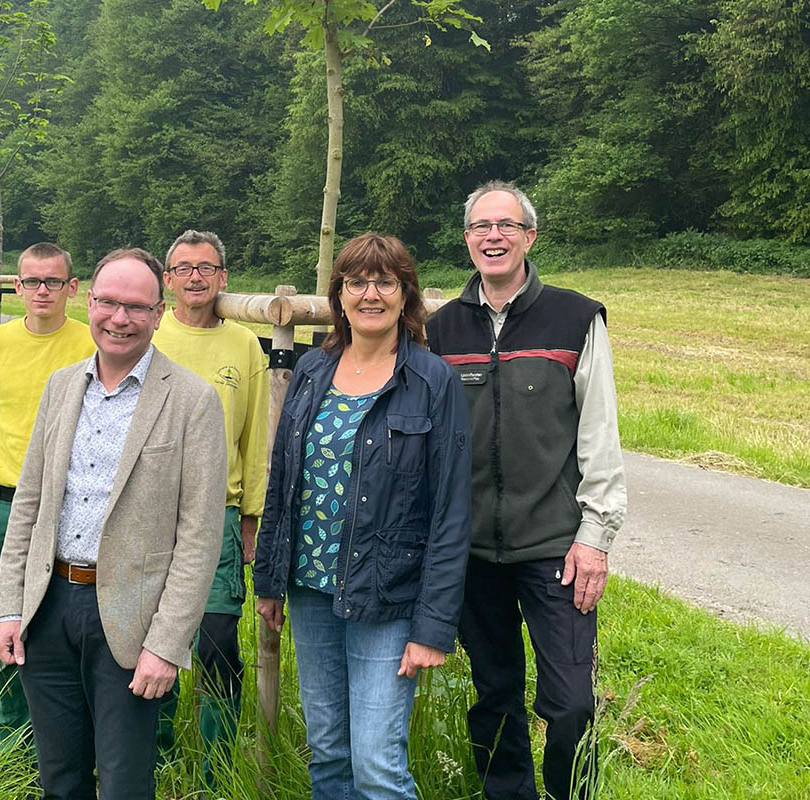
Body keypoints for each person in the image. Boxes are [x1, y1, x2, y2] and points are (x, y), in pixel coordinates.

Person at [0, 247, 227, 799]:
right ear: (89, 303)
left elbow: (198, 540)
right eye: (109, 303)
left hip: (129, 621)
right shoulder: (62, 386)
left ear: (159, 312)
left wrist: (167, 644)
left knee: (124, 783)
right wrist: (9, 607)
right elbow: (29, 506)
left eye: (137, 308)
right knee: (59, 777)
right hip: (47, 612)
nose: (120, 319)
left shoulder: (193, 402)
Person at [426, 180, 627, 800]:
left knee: (570, 704)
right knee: (495, 696)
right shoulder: (441, 330)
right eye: (482, 227)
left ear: (529, 236)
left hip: (557, 550)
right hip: (473, 553)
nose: (494, 237)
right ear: (466, 241)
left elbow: (600, 435)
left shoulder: (574, 317)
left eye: (507, 226)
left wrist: (595, 537)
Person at [254, 233, 472, 800]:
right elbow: (284, 481)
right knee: (328, 753)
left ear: (406, 295)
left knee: (377, 765)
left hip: (389, 597)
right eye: (357, 282)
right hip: (310, 590)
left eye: (384, 282)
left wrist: (433, 626)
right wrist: (271, 581)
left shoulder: (431, 381)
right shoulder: (310, 372)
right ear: (339, 295)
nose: (369, 294)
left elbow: (451, 512)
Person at [0, 242, 95, 746]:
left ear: (71, 289)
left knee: (65, 621)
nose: (42, 290)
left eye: (53, 282)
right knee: (8, 622)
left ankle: (69, 733)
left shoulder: (89, 343)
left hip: (71, 506)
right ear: (16, 286)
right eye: (32, 281)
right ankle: (10, 738)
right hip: (5, 501)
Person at [152, 230, 268, 784]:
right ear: (168, 279)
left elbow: (255, 436)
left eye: (206, 267)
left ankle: (216, 770)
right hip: (147, 513)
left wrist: (250, 517)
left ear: (223, 277)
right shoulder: (150, 335)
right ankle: (153, 755)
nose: (195, 276)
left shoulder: (244, 344)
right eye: (183, 267)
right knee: (148, 634)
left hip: (217, 515)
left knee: (219, 639)